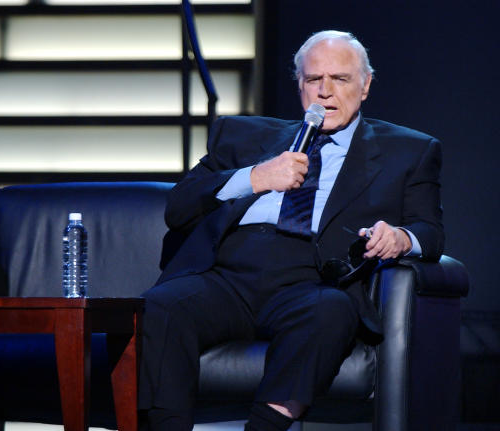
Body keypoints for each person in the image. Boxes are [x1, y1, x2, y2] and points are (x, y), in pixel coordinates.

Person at [138, 30, 444, 431]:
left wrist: (401, 238)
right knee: (161, 306)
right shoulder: (243, 136)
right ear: (300, 85)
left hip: (312, 280)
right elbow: (179, 207)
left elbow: (431, 231)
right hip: (228, 276)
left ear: (366, 85)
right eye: (314, 80)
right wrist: (254, 177)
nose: (326, 92)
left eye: (341, 79)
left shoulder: (409, 151)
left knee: (331, 312)